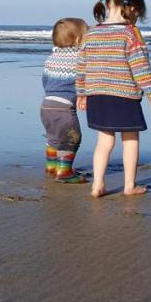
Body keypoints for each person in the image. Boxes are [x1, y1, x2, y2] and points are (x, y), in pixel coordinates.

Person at [76, 0, 151, 198]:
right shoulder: (131, 33)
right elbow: (140, 67)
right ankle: (129, 185)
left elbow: (81, 66)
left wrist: (82, 93)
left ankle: (97, 185)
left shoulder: (91, 33)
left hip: (97, 95)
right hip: (123, 95)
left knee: (104, 141)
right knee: (130, 139)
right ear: (133, 8)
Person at [41, 18, 89, 183]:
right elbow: (84, 80)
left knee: (53, 137)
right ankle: (64, 171)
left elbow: (45, 81)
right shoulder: (80, 58)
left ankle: (52, 166)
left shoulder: (50, 58)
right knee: (71, 139)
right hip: (64, 108)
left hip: (46, 105)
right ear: (77, 40)